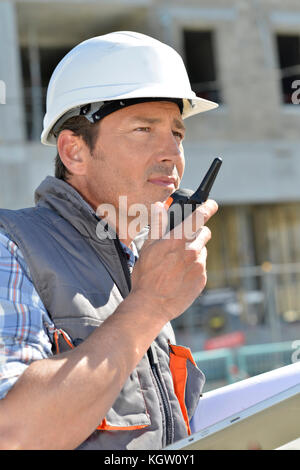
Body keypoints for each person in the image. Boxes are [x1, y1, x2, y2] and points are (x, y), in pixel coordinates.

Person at [0, 31, 218, 450]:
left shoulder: (140, 266)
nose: (172, 153)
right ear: (74, 152)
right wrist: (150, 305)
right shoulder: (11, 247)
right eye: (143, 129)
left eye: (178, 134)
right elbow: (13, 434)